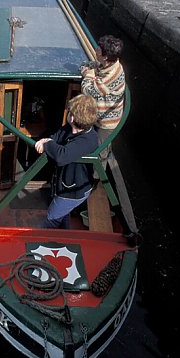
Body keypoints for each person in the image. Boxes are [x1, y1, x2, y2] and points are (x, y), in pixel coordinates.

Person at [35, 94, 98, 229]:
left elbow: (61, 156)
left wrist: (47, 144)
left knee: (52, 219)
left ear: (72, 117)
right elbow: (56, 136)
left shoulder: (88, 140)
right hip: (64, 184)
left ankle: (46, 244)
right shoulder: (70, 128)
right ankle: (65, 236)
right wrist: (48, 140)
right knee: (64, 215)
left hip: (72, 191)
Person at [80, 35, 125, 157]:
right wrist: (88, 72)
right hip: (99, 114)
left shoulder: (111, 76)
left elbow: (87, 90)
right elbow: (86, 65)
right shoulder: (108, 64)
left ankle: (97, 175)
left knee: (100, 152)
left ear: (105, 57)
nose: (95, 50)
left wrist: (88, 76)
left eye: (98, 50)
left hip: (106, 121)